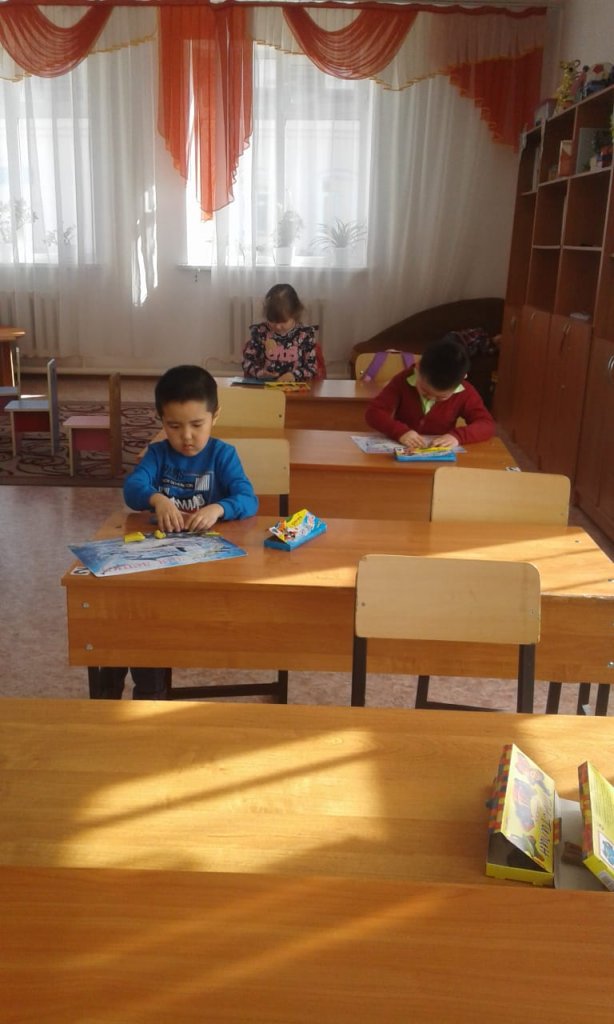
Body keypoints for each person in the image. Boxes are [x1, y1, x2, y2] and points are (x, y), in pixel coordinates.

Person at [98, 365, 258, 700]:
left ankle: (150, 690)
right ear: (161, 421)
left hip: (208, 571)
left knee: (155, 619)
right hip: (161, 565)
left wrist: (218, 508)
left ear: (215, 416)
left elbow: (247, 498)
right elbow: (133, 488)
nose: (186, 436)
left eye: (197, 425)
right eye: (174, 426)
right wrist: (157, 499)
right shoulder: (158, 454)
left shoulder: (223, 455)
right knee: (128, 612)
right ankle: (126, 689)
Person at [364, 333, 495, 449]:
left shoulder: (465, 392)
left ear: (462, 379)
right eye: (425, 391)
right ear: (418, 367)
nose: (431, 398)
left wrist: (457, 437)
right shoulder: (402, 380)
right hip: (403, 450)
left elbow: (486, 424)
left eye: (441, 397)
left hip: (439, 455)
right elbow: (373, 413)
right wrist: (400, 432)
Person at [242, 283, 318, 382]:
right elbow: (247, 362)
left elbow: (312, 367)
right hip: (266, 386)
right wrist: (259, 372)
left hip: (296, 387)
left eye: (283, 322)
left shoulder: (305, 334)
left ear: (295, 314)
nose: (277, 326)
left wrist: (294, 375)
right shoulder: (260, 332)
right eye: (272, 320)